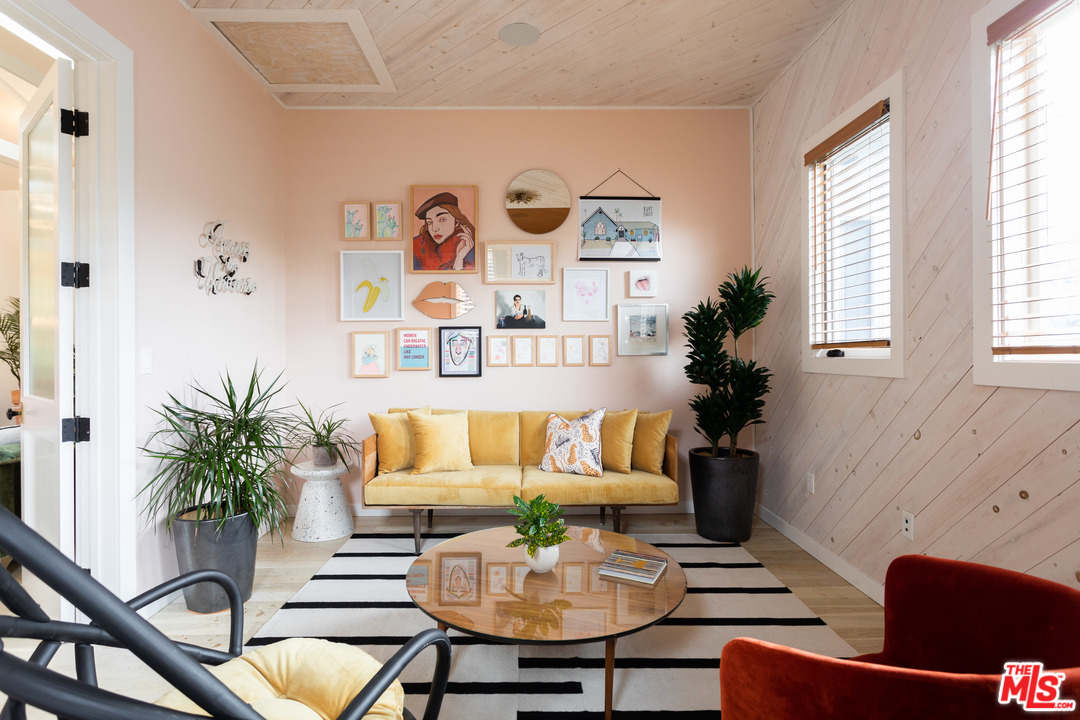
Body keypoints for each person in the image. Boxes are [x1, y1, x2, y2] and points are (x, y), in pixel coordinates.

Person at [413, 191, 476, 271]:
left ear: (456, 221)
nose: (434, 229)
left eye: (442, 219)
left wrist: (460, 258)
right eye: (430, 222)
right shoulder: (416, 247)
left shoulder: (469, 247)